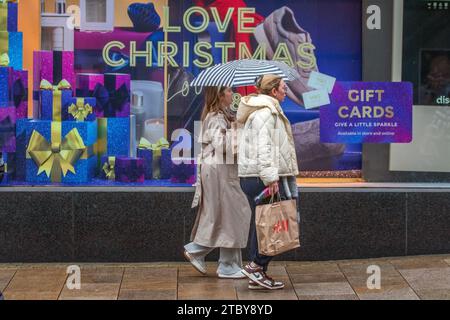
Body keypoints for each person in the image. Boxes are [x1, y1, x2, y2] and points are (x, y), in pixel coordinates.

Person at [237, 74, 300, 290]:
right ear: (273, 91)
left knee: (263, 223)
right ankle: (256, 265)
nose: (286, 91)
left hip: (254, 176)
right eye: (283, 87)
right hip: (261, 177)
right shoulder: (265, 113)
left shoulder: (264, 111)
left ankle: (258, 273)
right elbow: (263, 147)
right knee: (271, 224)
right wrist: (271, 177)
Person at [184, 86, 252, 279]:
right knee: (231, 214)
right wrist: (239, 128)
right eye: (229, 91)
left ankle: (228, 263)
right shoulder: (215, 117)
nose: (233, 94)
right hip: (219, 171)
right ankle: (222, 262)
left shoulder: (222, 115)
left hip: (222, 171)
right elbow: (224, 146)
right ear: (220, 95)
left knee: (227, 215)